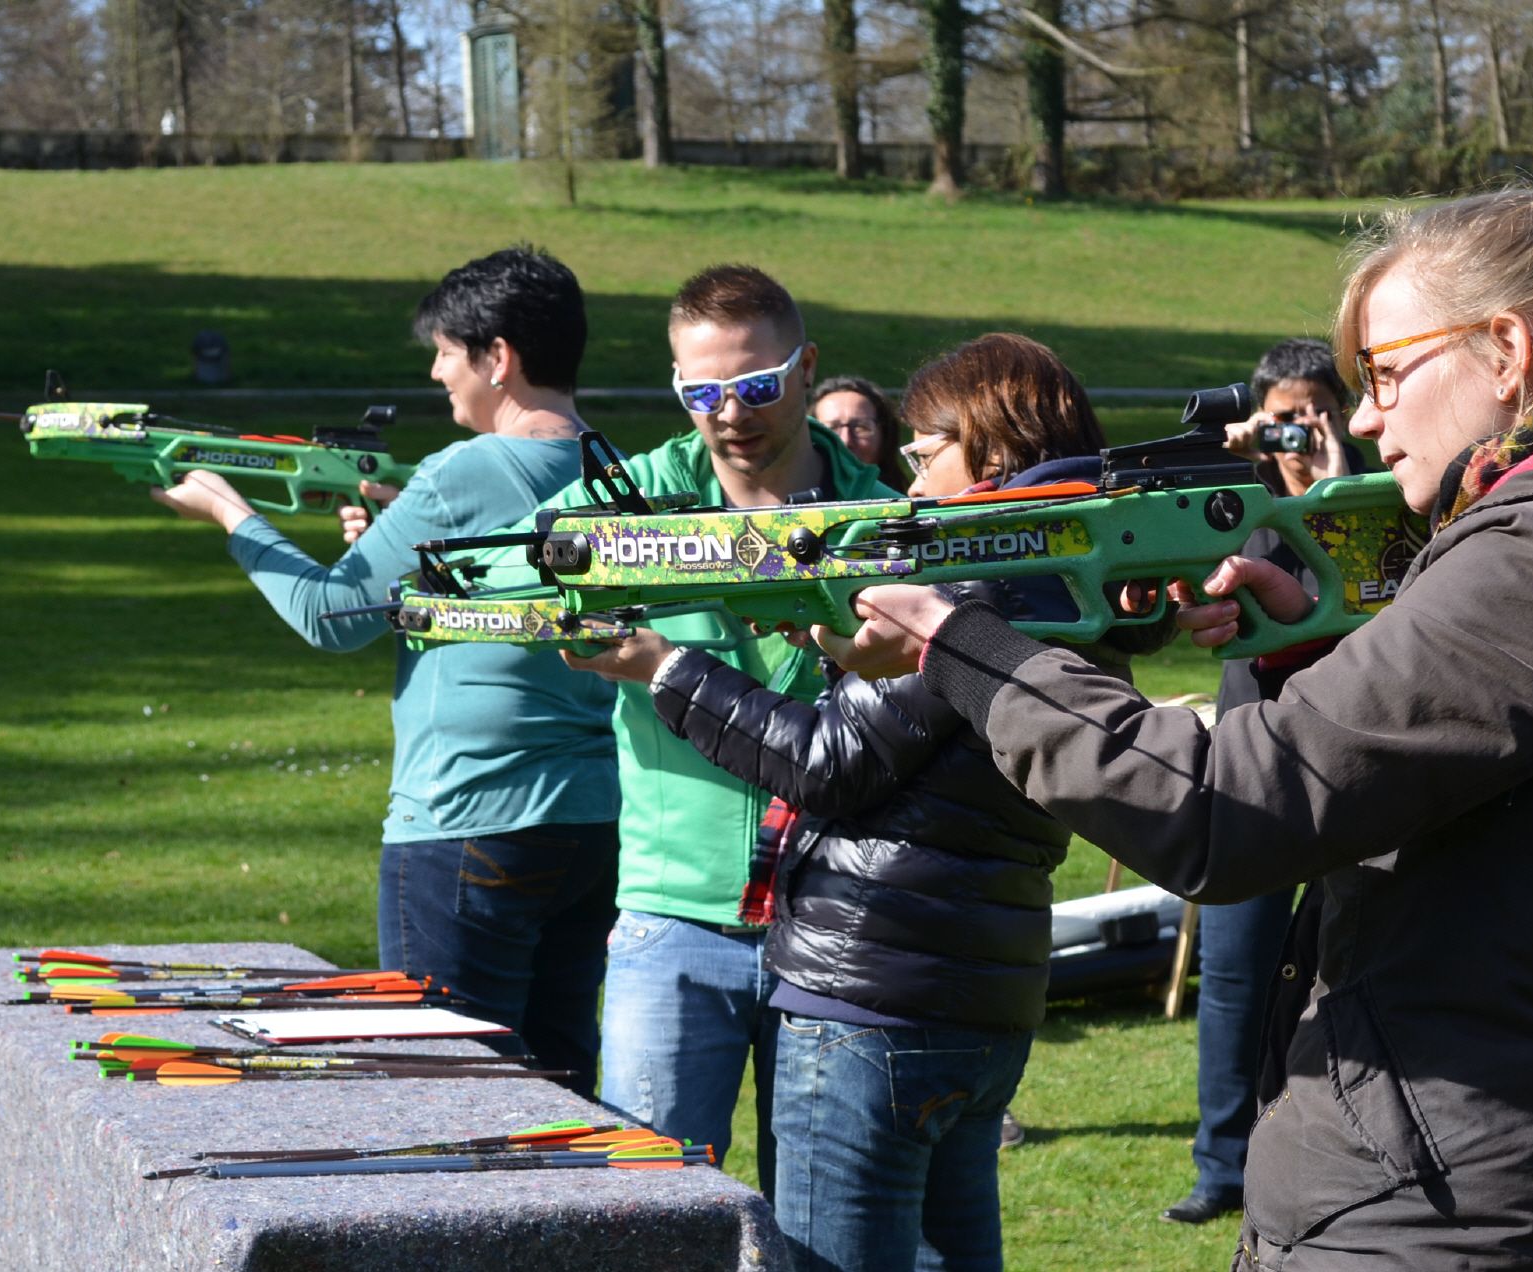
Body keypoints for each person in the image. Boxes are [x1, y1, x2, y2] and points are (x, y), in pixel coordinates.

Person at [807, 187, 1533, 1268]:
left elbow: (1216, 811)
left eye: (1388, 374)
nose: (1363, 420)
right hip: (1482, 1192)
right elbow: (1480, 779)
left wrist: (964, 646)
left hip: (1435, 1217)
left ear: (1506, 349)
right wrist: (1303, 650)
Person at [573, 331, 1157, 1272]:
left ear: (994, 453)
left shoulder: (968, 577)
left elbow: (825, 763)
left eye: (929, 452)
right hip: (980, 994)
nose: (913, 478)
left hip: (871, 996)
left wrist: (665, 667)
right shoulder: (1074, 573)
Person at [149, 246, 619, 1095]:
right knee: (557, 1084)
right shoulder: (621, 470)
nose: (437, 371)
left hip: (466, 817)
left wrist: (230, 510)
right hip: (593, 821)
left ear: (499, 358)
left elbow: (330, 618)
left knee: (444, 1084)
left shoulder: (459, 470)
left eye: (446, 350)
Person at [490, 264, 897, 1189]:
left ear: (807, 369)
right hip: (673, 920)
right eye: (701, 392)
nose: (729, 414)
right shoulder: (623, 502)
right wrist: (577, 603)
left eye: (754, 386)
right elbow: (504, 574)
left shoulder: (881, 514)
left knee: (831, 1226)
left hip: (842, 922)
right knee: (654, 1216)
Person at [1163, 337, 1357, 1227]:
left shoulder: (1365, 498)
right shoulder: (1239, 509)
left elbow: (1372, 586)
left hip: (1345, 770)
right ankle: (1219, 1164)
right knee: (1234, 977)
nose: (1291, 433)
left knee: (1335, 970)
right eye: (1277, 416)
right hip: (1250, 760)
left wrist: (1336, 476)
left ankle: (1309, 1146)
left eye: (1307, 414)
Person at [811, 375, 907, 491]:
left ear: (884, 436)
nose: (845, 440)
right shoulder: (792, 504)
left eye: (860, 427)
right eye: (832, 428)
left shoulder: (907, 505)